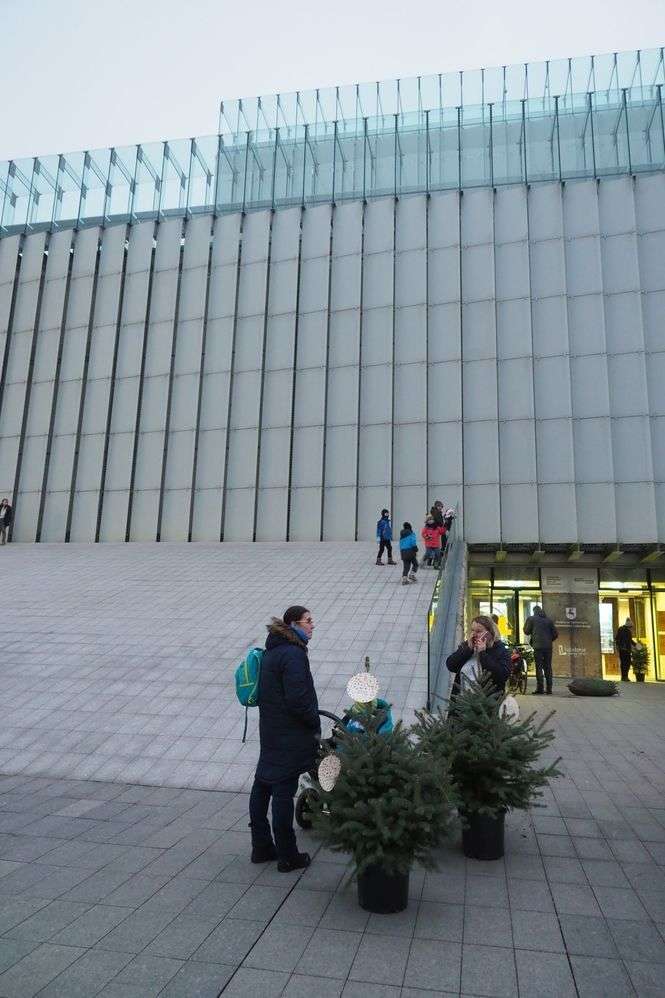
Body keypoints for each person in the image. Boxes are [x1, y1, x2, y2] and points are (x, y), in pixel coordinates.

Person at [249, 606, 319, 872]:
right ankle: (288, 855)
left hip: (271, 730)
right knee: (282, 790)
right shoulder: (293, 654)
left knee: (263, 784)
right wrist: (314, 720)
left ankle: (261, 846)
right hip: (289, 734)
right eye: (308, 621)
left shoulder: (274, 649)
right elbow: (298, 699)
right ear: (293, 624)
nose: (313, 625)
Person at [446, 615, 511, 694]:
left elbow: (502, 676)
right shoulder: (467, 646)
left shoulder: (500, 649)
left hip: (487, 703)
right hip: (462, 702)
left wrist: (482, 653)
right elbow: (451, 665)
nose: (474, 634)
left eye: (479, 631)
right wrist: (468, 649)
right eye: (472, 630)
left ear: (489, 633)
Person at [524, 605, 558, 696]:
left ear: (534, 611)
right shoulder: (549, 620)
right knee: (548, 666)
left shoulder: (531, 619)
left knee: (539, 667)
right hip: (548, 647)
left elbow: (526, 631)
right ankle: (549, 689)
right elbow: (555, 634)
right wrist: (548, 640)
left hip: (537, 647)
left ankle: (540, 688)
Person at [615, 618, 634, 682]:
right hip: (625, 649)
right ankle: (625, 677)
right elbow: (630, 641)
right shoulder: (627, 631)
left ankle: (624, 677)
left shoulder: (620, 629)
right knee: (626, 663)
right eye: (631, 627)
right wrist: (636, 645)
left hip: (622, 649)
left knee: (624, 663)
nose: (631, 629)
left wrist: (618, 646)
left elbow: (617, 639)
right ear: (629, 626)